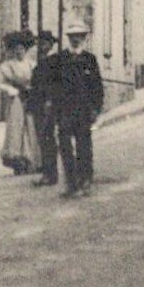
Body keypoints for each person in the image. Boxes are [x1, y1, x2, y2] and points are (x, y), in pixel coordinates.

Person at [53, 21, 104, 197]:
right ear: (68, 38)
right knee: (65, 147)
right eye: (72, 36)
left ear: (84, 38)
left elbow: (97, 86)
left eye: (79, 36)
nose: (75, 39)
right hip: (65, 110)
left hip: (83, 110)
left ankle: (85, 179)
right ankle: (71, 182)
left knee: (84, 146)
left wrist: (96, 108)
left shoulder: (89, 59)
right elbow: (55, 85)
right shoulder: (61, 59)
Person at [0, 31, 39, 174]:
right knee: (16, 128)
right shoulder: (8, 65)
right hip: (16, 99)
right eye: (16, 48)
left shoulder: (32, 64)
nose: (19, 51)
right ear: (13, 50)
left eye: (22, 48)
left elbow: (38, 81)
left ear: (26, 49)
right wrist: (9, 89)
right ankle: (18, 161)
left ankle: (33, 160)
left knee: (31, 127)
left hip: (30, 98)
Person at [27, 31, 61, 187]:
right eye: (40, 43)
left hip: (48, 105)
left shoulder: (54, 61)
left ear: (51, 45)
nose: (42, 46)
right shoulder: (39, 62)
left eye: (45, 43)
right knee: (42, 139)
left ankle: (50, 174)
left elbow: (54, 84)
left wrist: (50, 101)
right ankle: (47, 172)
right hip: (37, 105)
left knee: (47, 138)